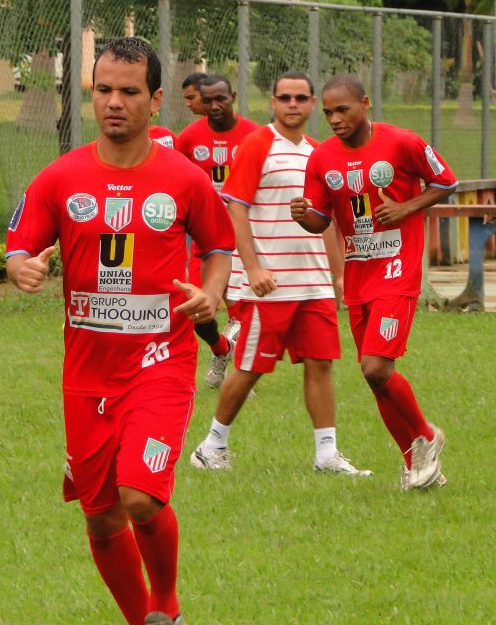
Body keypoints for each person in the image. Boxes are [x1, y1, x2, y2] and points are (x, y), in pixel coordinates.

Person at [6, 37, 234, 625]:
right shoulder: (59, 177)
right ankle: (142, 620)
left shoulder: (184, 179)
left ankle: (167, 605)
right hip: (86, 372)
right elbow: (19, 244)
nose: (114, 102)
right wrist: (21, 266)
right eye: (103, 89)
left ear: (155, 101)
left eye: (128, 92)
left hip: (161, 361)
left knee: (140, 495)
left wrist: (210, 293)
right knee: (101, 513)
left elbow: (217, 247)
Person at [191, 72, 370, 476]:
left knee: (320, 363)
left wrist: (339, 276)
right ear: (272, 102)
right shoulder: (257, 144)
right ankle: (210, 445)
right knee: (251, 367)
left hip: (315, 283)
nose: (293, 104)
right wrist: (252, 267)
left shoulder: (320, 153)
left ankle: (326, 455)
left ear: (311, 106)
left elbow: (328, 221)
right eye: (284, 97)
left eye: (301, 98)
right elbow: (234, 207)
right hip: (269, 285)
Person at [290, 73, 458, 490]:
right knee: (374, 376)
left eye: (342, 109)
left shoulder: (402, 142)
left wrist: (406, 208)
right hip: (359, 274)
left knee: (376, 365)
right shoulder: (322, 158)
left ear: (364, 103)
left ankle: (424, 435)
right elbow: (321, 220)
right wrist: (303, 215)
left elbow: (446, 182)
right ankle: (418, 465)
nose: (334, 119)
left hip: (397, 270)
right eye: (327, 112)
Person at [177, 75, 261, 387]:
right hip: (206, 235)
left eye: (221, 99)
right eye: (208, 100)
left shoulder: (255, 135)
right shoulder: (188, 138)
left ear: (233, 97)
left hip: (243, 233)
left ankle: (239, 377)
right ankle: (221, 349)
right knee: (199, 307)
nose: (214, 106)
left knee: (243, 312)